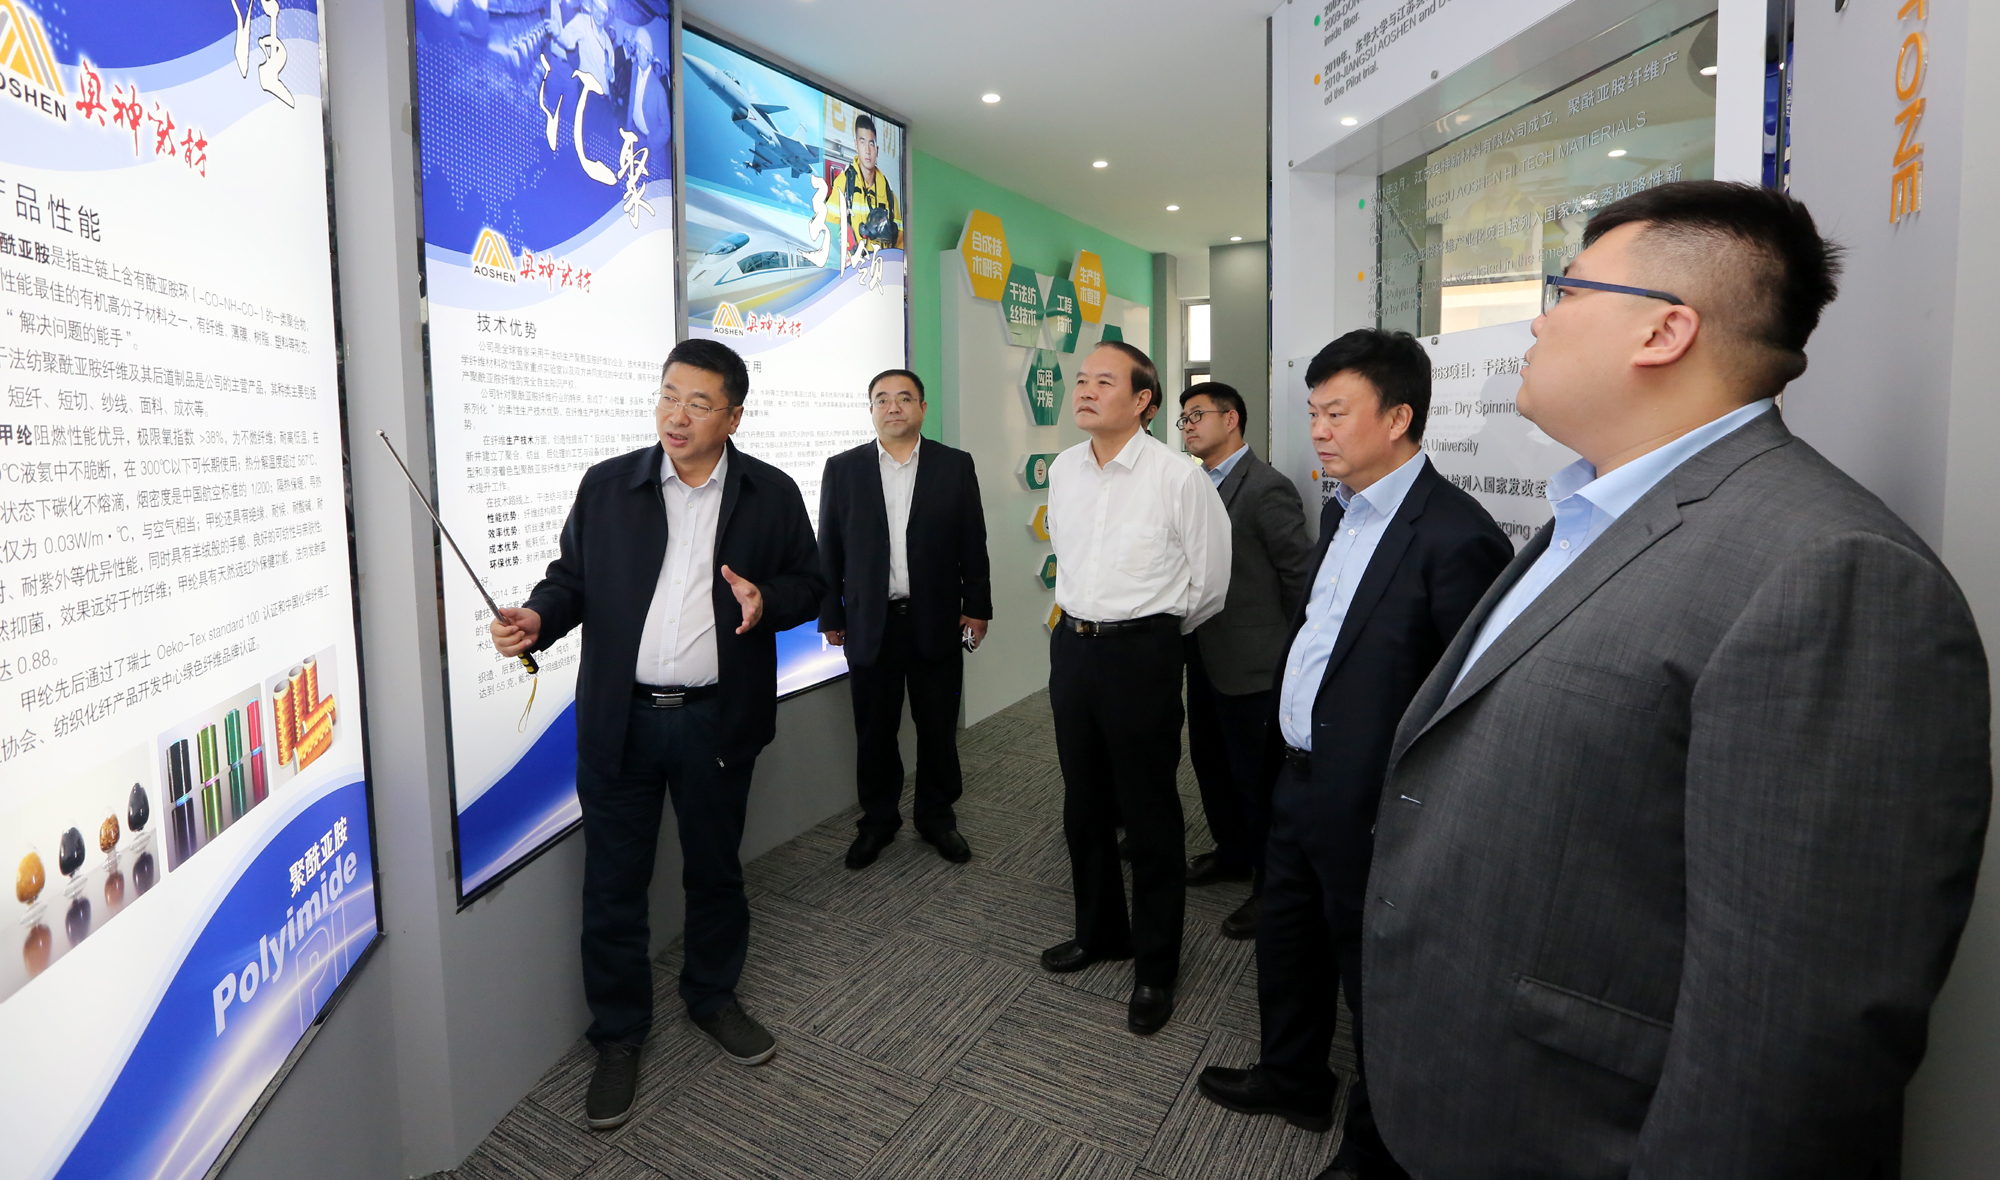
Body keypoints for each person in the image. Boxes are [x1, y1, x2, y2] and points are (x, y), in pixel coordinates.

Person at [1365, 181, 1990, 1177]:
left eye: (1567, 292)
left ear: (1663, 330)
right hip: (1472, 1096)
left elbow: (1788, 1039)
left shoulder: (1833, 572)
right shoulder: (1594, 512)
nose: (1538, 321)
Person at [1195, 331, 1511, 1180]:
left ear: (1399, 418)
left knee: (1375, 974)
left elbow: (1469, 705)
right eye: (1313, 413)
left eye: (1337, 413)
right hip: (1299, 777)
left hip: (1376, 802)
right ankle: (1292, 1077)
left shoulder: (1456, 535)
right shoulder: (1341, 510)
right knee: (1287, 937)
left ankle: (1378, 1147)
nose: (1319, 431)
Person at [490, 338, 825, 1131]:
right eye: (669, 395)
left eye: (699, 403)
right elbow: (571, 580)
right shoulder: (609, 486)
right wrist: (538, 618)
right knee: (613, 886)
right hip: (622, 721)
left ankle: (712, 997)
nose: (677, 415)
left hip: (717, 719)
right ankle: (618, 1035)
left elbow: (810, 585)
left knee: (715, 872)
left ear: (732, 416)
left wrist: (766, 602)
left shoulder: (770, 493)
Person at [1039, 340, 1231, 1036]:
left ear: (1144, 400)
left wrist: (1151, 635)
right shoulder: (1065, 469)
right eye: (1081, 380)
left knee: (1149, 813)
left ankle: (1156, 964)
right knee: (1083, 802)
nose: (1085, 390)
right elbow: (1068, 556)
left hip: (1143, 653)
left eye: (1104, 381)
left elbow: (1210, 585)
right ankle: (1100, 932)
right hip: (1073, 646)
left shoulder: (1178, 478)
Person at [817, 368, 992, 869]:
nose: (893, 407)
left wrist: (977, 606)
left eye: (904, 398)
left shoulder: (953, 465)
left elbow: (972, 541)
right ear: (871, 409)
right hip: (870, 623)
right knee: (874, 730)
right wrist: (830, 614)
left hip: (935, 619)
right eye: (882, 399)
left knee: (937, 727)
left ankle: (937, 817)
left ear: (922, 408)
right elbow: (829, 547)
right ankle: (878, 820)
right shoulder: (843, 469)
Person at [1175, 381, 1312, 939]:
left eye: (1196, 415)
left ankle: (1270, 886)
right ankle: (1231, 852)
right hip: (1203, 651)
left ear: (1231, 419)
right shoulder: (1193, 484)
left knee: (1258, 779)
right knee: (1211, 762)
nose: (1187, 426)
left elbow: (1298, 575)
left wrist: (1291, 654)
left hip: (1254, 661)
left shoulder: (1265, 487)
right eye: (1183, 418)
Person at [833, 113, 899, 282]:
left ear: (877, 149)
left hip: (882, 278)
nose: (867, 150)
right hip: (852, 277)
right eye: (862, 143)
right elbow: (830, 229)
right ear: (856, 145)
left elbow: (900, 240)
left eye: (871, 143)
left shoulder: (888, 193)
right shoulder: (844, 183)